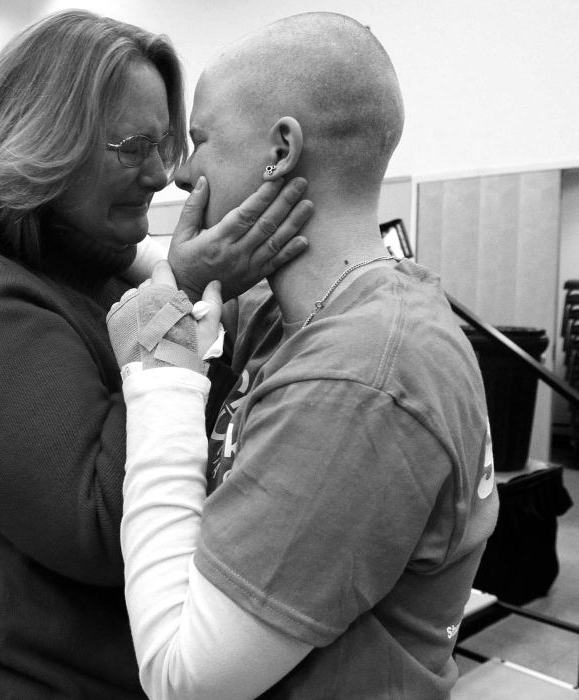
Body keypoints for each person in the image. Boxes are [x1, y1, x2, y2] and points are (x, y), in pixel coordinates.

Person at [0, 10, 311, 699]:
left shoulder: (109, 278)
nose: (165, 174)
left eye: (169, 144)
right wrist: (175, 296)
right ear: (43, 142)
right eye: (131, 146)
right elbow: (97, 530)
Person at [108, 12, 499, 699]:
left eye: (198, 141)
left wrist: (159, 376)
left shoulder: (358, 376)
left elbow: (183, 678)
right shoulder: (316, 316)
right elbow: (155, 267)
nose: (179, 174)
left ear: (281, 149)